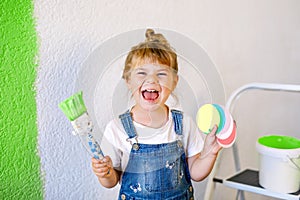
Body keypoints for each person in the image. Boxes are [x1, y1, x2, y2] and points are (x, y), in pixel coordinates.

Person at [91, 29, 222, 199]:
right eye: (142, 73)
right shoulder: (117, 128)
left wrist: (209, 153)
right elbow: (111, 181)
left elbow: (196, 173)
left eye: (161, 73)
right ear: (128, 80)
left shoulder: (184, 124)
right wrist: (105, 173)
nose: (151, 80)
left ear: (175, 82)